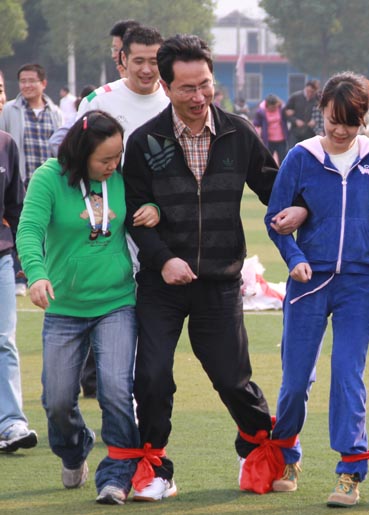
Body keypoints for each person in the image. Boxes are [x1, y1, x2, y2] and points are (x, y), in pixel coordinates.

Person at [122, 34, 307, 502]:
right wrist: (164, 259)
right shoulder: (144, 142)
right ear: (165, 86)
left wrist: (300, 208)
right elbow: (134, 215)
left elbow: (273, 187)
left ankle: (260, 450)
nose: (199, 96)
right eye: (187, 87)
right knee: (152, 377)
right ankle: (156, 468)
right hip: (161, 284)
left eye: (205, 84)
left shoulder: (237, 133)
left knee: (232, 379)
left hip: (221, 281)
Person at [264, 71, 369, 507]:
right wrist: (295, 257)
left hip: (358, 283)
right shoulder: (300, 157)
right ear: (320, 110)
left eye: (351, 122)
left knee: (347, 374)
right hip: (308, 282)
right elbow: (275, 219)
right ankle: (288, 455)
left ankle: (350, 471)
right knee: (295, 379)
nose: (340, 130)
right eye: (333, 120)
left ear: (365, 118)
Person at [16, 110, 159, 505]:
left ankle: (117, 475)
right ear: (81, 154)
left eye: (118, 156)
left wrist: (154, 210)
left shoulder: (123, 175)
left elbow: (151, 202)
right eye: (104, 159)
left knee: (116, 390)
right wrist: (37, 274)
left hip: (116, 302)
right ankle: (74, 448)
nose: (113, 165)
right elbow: (29, 229)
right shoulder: (49, 178)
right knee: (57, 400)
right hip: (64, 306)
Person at [0, 129, 38, 454]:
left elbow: (16, 206)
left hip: (1, 255)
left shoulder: (5, 143)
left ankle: (12, 423)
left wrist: (23, 257)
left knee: (4, 340)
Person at [78, 25, 168, 150]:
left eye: (153, 62)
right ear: (124, 59)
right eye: (139, 61)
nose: (146, 70)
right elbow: (77, 153)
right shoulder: (97, 102)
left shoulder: (174, 100)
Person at [0, 63, 63, 187]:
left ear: (43, 83)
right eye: (23, 81)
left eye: (31, 81)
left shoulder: (55, 113)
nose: (27, 85)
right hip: (22, 183)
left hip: (49, 183)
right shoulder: (8, 110)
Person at [253, 94, 289, 164]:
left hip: (281, 139)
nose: (273, 109)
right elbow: (256, 123)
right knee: (268, 160)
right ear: (267, 105)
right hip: (268, 140)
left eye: (275, 107)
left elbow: (287, 117)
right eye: (271, 107)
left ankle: (282, 171)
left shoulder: (281, 109)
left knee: (283, 160)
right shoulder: (261, 112)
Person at [284, 80, 319, 147]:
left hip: (309, 133)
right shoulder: (295, 97)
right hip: (295, 132)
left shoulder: (316, 99)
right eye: (308, 91)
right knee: (292, 150)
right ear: (305, 88)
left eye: (312, 92)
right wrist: (295, 121)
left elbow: (320, 114)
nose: (310, 94)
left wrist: (314, 120)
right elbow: (286, 113)